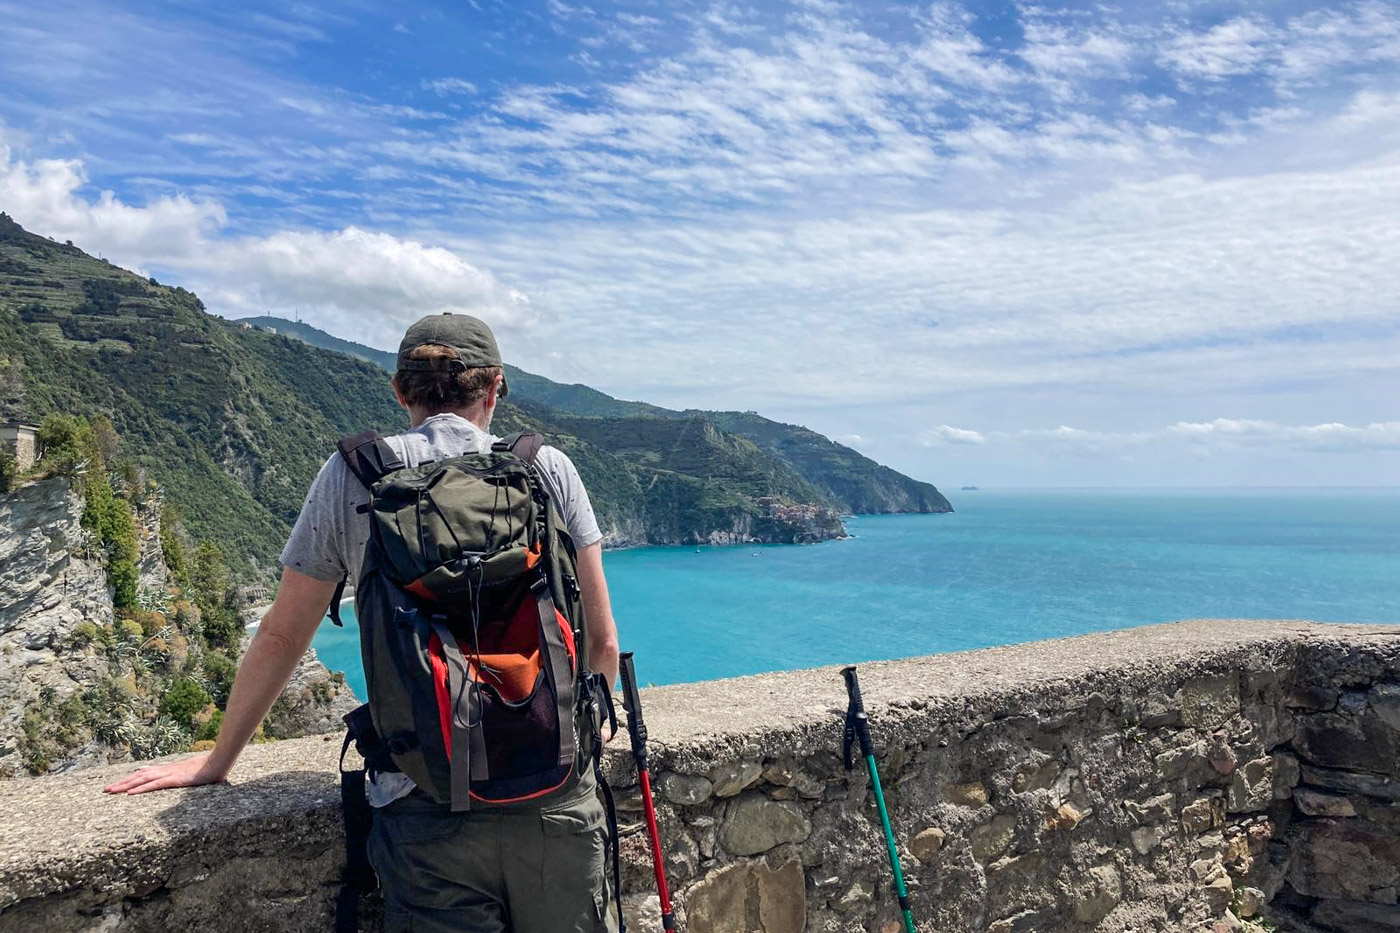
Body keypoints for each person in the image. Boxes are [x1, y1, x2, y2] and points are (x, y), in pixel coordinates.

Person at [105, 312, 623, 933]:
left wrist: (217, 761)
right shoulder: (547, 470)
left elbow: (282, 634)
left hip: (425, 801)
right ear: (495, 388)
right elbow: (603, 639)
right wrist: (578, 749)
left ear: (400, 391)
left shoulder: (355, 475)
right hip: (554, 796)